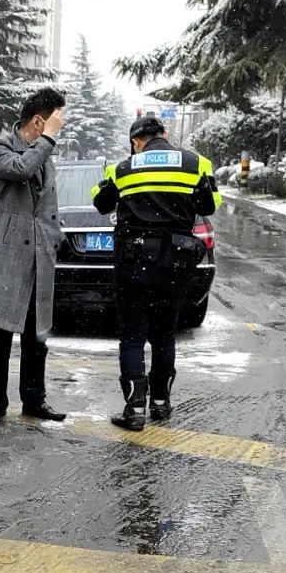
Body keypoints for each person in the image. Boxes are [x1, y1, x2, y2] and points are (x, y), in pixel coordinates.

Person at [92, 116, 221, 430]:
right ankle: (161, 404)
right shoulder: (197, 164)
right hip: (175, 264)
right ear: (165, 134)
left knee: (133, 338)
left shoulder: (123, 169)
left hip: (133, 262)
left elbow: (100, 202)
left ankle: (134, 410)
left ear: (137, 141)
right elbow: (210, 204)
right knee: (164, 336)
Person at [0, 89, 69, 426]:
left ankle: (34, 399)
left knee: (36, 338)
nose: (61, 126)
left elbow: (46, 206)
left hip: (39, 259)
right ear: (38, 120)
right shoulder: (0, 149)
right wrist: (48, 137)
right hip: (8, 257)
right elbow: (22, 168)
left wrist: (55, 237)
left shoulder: (47, 158)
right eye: (57, 118)